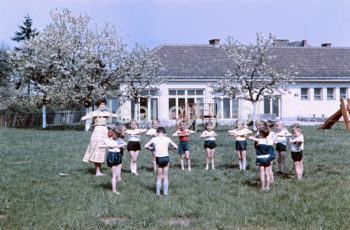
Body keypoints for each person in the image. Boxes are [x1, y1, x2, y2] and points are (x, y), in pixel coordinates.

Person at [81, 98, 118, 176]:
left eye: (104, 104)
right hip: (97, 131)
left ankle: (99, 171)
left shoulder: (106, 113)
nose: (103, 105)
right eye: (101, 104)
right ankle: (97, 171)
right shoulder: (94, 113)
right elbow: (84, 118)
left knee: (102, 150)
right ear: (98, 105)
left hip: (104, 130)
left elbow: (115, 115)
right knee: (96, 149)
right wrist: (86, 117)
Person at [145, 127, 178, 196]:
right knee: (165, 176)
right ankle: (165, 193)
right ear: (165, 134)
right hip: (166, 158)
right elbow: (176, 147)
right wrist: (169, 148)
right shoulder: (167, 139)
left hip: (158, 158)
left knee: (159, 176)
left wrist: (151, 148)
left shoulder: (154, 139)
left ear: (157, 133)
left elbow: (145, 146)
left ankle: (158, 193)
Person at [101, 127, 127, 195]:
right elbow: (101, 145)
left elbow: (124, 144)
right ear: (113, 134)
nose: (117, 136)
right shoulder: (109, 140)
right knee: (114, 175)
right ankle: (114, 190)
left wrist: (120, 145)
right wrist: (109, 145)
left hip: (117, 155)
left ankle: (114, 188)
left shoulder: (118, 139)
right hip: (112, 156)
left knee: (116, 172)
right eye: (117, 135)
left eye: (118, 135)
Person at [249, 127, 274, 191]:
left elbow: (250, 137)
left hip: (260, 158)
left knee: (262, 173)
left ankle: (262, 187)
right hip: (267, 157)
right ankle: (267, 186)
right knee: (267, 173)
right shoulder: (269, 140)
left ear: (261, 134)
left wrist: (257, 136)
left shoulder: (259, 140)